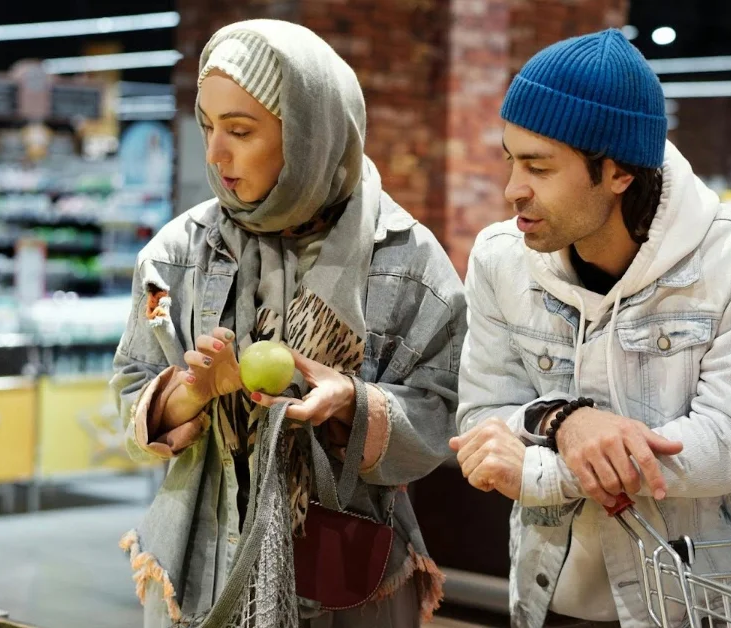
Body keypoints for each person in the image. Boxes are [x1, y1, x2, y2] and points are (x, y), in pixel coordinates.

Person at [111, 19, 465, 628]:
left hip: (348, 583)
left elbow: (446, 414)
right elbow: (128, 391)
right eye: (207, 126)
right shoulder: (173, 256)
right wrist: (190, 392)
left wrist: (352, 402)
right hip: (198, 578)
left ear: (309, 133)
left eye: (240, 130)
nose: (215, 153)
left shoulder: (407, 262)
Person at [451, 29, 731, 628]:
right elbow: (482, 417)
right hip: (547, 596)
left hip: (696, 603)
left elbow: (727, 446)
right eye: (511, 160)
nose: (512, 190)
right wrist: (565, 420)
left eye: (538, 167)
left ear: (618, 173)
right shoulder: (499, 258)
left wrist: (542, 471)